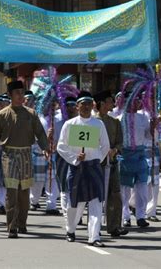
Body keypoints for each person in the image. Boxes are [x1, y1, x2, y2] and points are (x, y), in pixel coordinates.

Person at [0, 80, 49, 239]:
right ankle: (12, 226)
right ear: (10, 95)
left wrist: (46, 149)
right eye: (17, 93)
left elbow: (40, 134)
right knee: (11, 193)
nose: (21, 96)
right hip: (9, 156)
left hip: (26, 156)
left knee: (24, 194)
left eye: (22, 92)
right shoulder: (1, 115)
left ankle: (22, 223)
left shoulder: (31, 113)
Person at [57, 91, 110, 247]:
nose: (86, 107)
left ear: (92, 105)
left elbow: (105, 146)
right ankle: (70, 230)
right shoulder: (70, 124)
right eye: (82, 104)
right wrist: (74, 158)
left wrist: (95, 159)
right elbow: (61, 146)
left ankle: (94, 237)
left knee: (96, 202)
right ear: (77, 106)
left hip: (93, 168)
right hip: (76, 168)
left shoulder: (98, 124)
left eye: (88, 103)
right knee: (75, 203)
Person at [93, 90, 128, 237]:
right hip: (94, 164)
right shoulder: (91, 122)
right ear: (101, 104)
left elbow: (120, 142)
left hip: (111, 163)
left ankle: (114, 226)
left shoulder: (115, 122)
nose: (112, 104)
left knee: (115, 194)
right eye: (109, 101)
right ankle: (92, 226)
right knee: (94, 196)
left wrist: (115, 150)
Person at [118, 96, 151, 228]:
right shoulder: (120, 118)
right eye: (133, 101)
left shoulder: (144, 118)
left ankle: (141, 216)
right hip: (125, 156)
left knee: (142, 188)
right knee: (124, 190)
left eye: (138, 101)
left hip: (140, 156)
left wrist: (153, 127)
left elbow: (149, 136)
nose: (136, 103)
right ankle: (125, 217)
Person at [54, 97, 78, 216]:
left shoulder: (82, 122)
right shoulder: (57, 122)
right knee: (64, 186)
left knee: (76, 186)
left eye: (73, 105)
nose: (71, 108)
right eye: (68, 105)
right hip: (61, 157)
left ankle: (75, 213)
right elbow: (55, 142)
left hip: (79, 157)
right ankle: (67, 214)